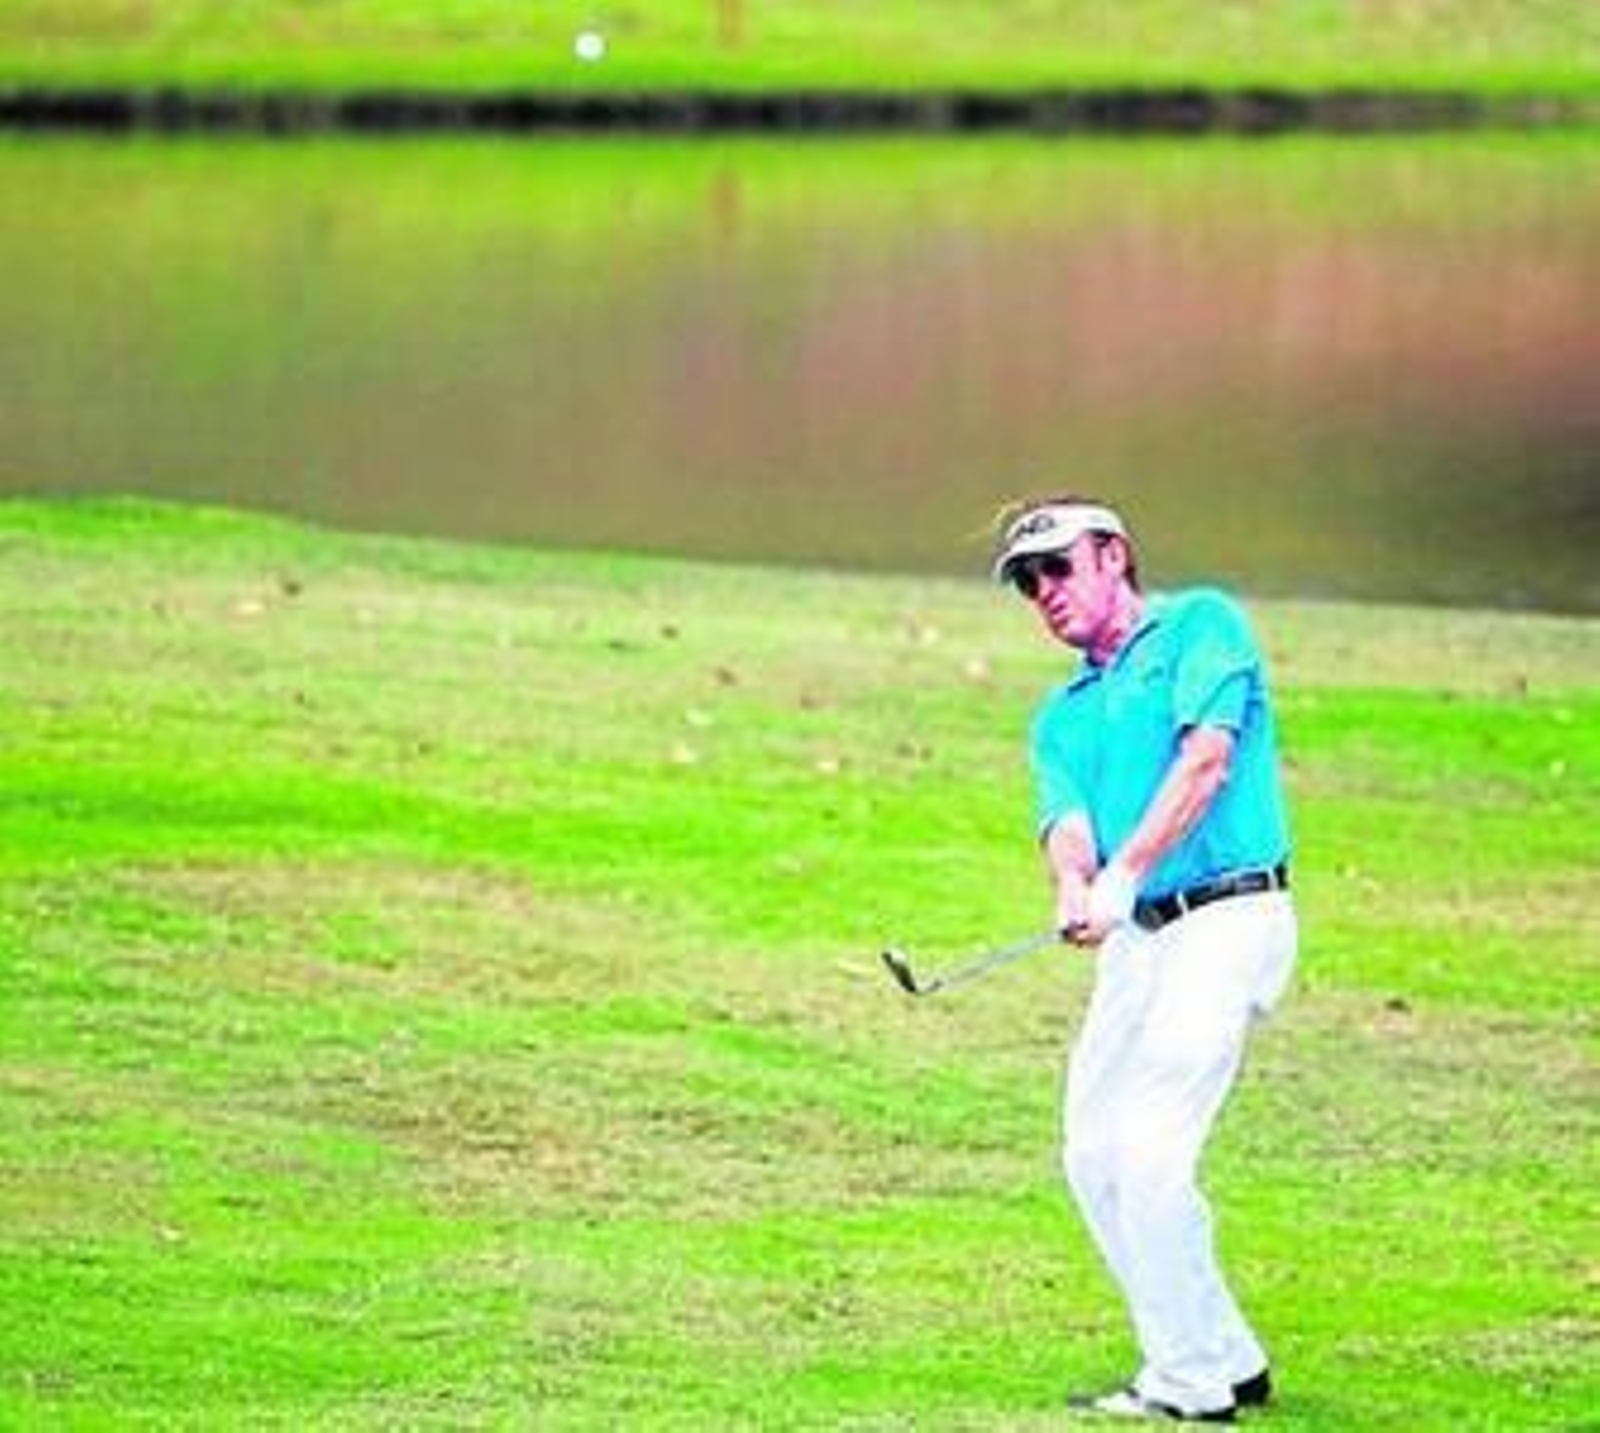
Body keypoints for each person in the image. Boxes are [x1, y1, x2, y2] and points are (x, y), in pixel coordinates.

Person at [992, 497, 1298, 1424]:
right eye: (1028, 581)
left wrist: (1127, 870)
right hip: (1140, 935)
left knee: (1151, 1149)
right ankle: (1226, 1354)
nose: (1044, 592)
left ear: (1113, 555)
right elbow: (1068, 822)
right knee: (1093, 1154)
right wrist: (1076, 885)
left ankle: (1187, 1384)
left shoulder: (1201, 625)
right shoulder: (1061, 713)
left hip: (1231, 913)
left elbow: (1206, 762)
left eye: (1058, 567)